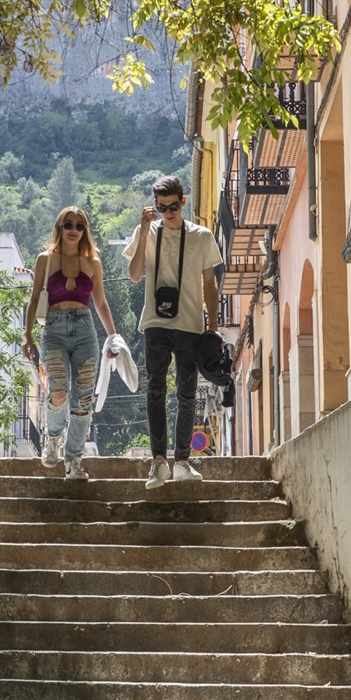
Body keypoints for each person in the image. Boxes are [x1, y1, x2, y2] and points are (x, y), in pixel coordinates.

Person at [125, 174, 222, 489]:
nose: (167, 212)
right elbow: (136, 274)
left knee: (187, 392)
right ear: (155, 206)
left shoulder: (202, 236)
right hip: (155, 322)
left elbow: (210, 282)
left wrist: (214, 328)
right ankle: (158, 462)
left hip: (190, 323)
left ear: (183, 202)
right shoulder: (148, 232)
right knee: (155, 390)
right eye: (161, 207)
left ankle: (182, 461)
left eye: (172, 206)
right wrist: (142, 232)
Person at [21, 205, 119, 480]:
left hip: (85, 329)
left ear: (84, 231)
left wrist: (113, 337)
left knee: (84, 399)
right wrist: (27, 335)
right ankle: (52, 439)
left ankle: (73, 460)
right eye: (69, 225)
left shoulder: (93, 263)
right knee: (59, 390)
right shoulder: (46, 259)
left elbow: (100, 302)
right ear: (60, 228)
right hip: (53, 328)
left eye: (79, 226)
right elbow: (32, 300)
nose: (74, 230)